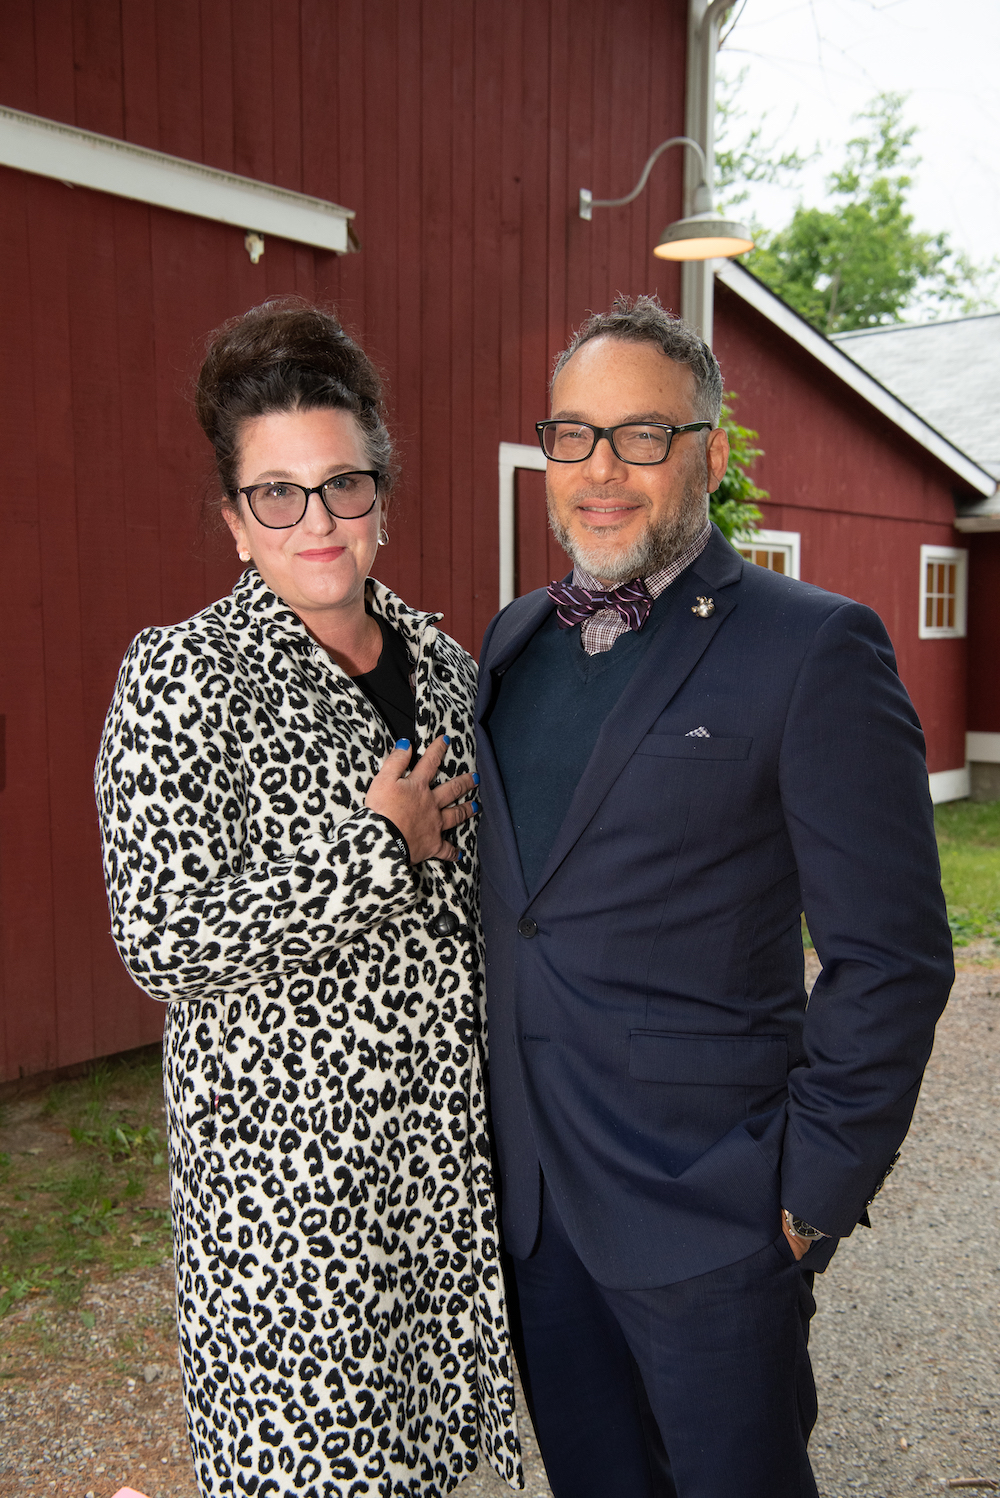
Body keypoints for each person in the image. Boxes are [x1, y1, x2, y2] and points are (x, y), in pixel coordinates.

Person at [474, 294, 952, 1498]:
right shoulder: (512, 643)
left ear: (710, 454)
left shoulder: (813, 646)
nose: (601, 470)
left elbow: (891, 956)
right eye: (574, 435)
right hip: (537, 1208)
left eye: (642, 435)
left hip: (713, 1212)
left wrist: (804, 1195)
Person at [95, 300, 519, 1498]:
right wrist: (373, 852)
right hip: (286, 1201)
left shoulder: (444, 665)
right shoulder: (183, 675)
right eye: (276, 493)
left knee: (430, 1468)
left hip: (437, 1166)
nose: (316, 520)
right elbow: (158, 935)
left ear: (383, 493)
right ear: (235, 520)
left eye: (342, 484)